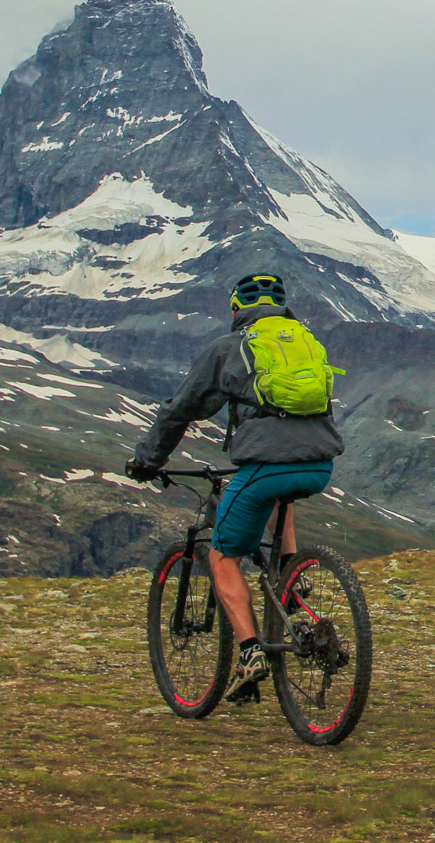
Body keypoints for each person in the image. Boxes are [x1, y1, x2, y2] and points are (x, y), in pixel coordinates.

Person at [124, 273, 344, 700]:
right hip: (319, 464)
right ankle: (291, 578)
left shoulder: (231, 348)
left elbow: (179, 411)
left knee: (224, 556)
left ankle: (249, 653)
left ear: (235, 309)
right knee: (281, 497)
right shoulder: (303, 341)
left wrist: (147, 462)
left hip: (265, 463)